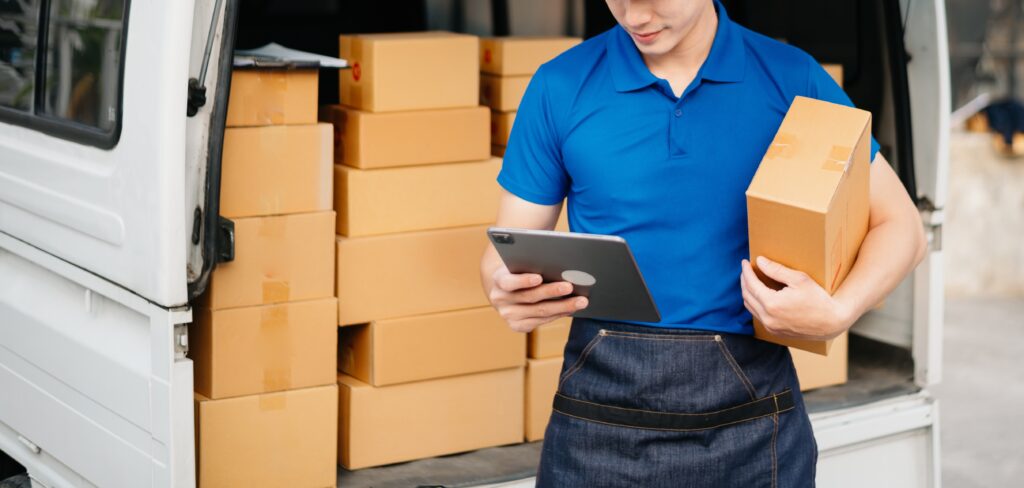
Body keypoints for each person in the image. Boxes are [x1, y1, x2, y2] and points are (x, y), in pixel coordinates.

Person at [479, 0, 927, 486]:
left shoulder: (791, 78)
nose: (634, 17)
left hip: (752, 423)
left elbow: (901, 226)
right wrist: (504, 287)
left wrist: (841, 312)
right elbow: (505, 250)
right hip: (597, 419)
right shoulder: (560, 84)